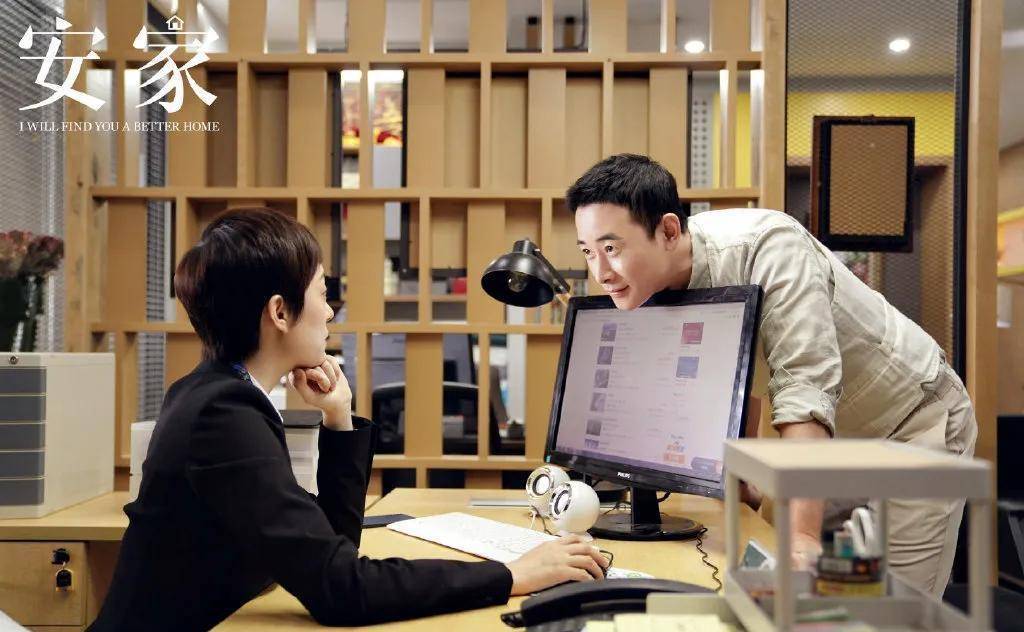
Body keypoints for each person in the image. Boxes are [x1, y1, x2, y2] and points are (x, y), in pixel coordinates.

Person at [89, 208, 608, 631]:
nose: (330, 311)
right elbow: (340, 590)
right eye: (321, 293)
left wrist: (338, 418)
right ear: (280, 312)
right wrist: (510, 575)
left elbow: (327, 550)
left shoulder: (211, 392)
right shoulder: (223, 415)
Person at [566, 154, 977, 596]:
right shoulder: (655, 283)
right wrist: (740, 484)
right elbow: (740, 381)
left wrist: (801, 538)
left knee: (891, 610)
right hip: (826, 446)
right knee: (786, 588)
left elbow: (804, 385)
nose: (600, 273)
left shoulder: (769, 247)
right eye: (588, 252)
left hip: (913, 426)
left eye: (612, 249)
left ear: (668, 231)